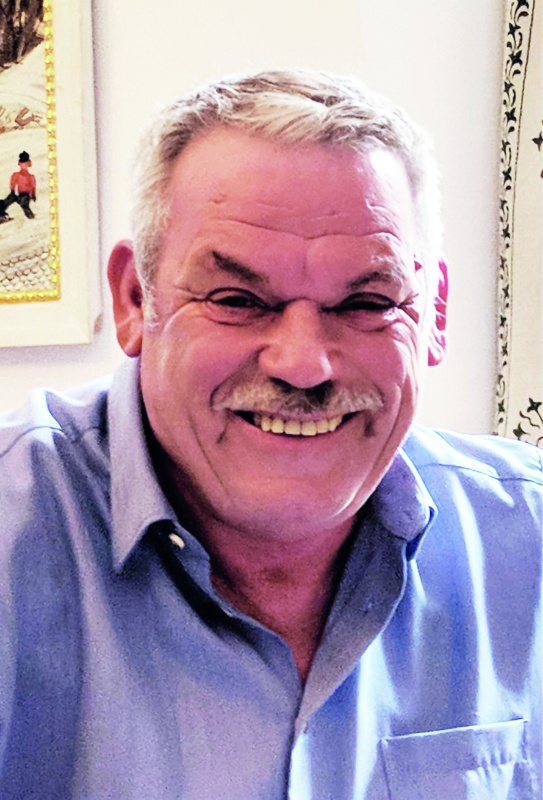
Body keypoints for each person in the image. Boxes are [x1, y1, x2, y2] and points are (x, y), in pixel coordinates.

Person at [0, 70, 541, 799]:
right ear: (135, 299)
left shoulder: (528, 541)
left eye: (366, 302)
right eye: (236, 299)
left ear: (434, 312)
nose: (304, 364)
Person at [0, 150, 37, 220]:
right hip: (18, 195)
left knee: (24, 204)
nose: (24, 165)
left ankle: (31, 216)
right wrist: (12, 191)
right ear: (19, 163)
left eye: (25, 163)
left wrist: (33, 195)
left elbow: (33, 187)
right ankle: (1, 213)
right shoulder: (16, 175)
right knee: (8, 200)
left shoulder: (31, 177)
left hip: (25, 196)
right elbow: (12, 184)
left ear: (29, 163)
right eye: (22, 163)